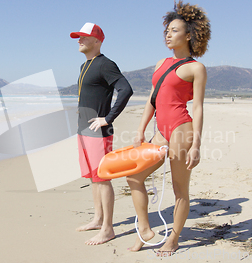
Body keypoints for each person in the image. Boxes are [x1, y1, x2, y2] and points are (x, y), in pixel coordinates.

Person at [125, 1, 211, 255]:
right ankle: (145, 229)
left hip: (181, 129)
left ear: (189, 35)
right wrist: (141, 130)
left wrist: (196, 145)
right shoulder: (160, 63)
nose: (168, 35)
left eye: (174, 30)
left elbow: (197, 108)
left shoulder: (196, 68)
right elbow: (152, 100)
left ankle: (173, 239)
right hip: (160, 130)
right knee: (134, 177)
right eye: (167, 31)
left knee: (179, 189)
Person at [70, 22, 133, 245]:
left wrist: (108, 117)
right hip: (83, 130)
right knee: (94, 179)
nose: (79, 40)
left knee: (103, 178)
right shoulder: (84, 66)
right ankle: (98, 219)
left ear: (97, 40)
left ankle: (108, 229)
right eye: (78, 37)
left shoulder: (105, 64)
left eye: (84, 37)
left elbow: (126, 89)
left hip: (99, 132)